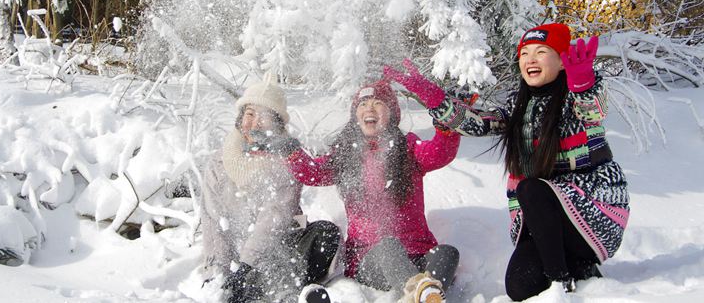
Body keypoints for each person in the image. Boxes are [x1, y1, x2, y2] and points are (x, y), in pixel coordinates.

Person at [385, 23, 630, 301]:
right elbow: (477, 124)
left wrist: (583, 82)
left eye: (541, 52)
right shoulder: (518, 105)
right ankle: (576, 268)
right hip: (544, 224)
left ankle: (563, 285)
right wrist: (433, 97)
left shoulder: (575, 96)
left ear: (562, 62)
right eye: (525, 54)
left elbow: (594, 111)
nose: (531, 60)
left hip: (594, 212)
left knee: (531, 188)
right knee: (519, 286)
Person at [285, 79, 462, 303]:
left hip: (418, 253)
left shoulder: (407, 148)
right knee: (389, 247)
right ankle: (421, 293)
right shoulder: (346, 155)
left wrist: (447, 124)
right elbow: (312, 173)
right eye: (362, 104)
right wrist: (291, 152)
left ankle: (427, 294)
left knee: (447, 253)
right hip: (369, 258)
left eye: (378, 102)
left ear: (391, 113)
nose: (369, 108)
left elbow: (440, 153)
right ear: (355, 116)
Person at [200, 73, 341, 303]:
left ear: (277, 123)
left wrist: (247, 266)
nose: (255, 123)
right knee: (244, 281)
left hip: (280, 246)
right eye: (250, 114)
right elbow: (213, 221)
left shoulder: (287, 160)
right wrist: (218, 273)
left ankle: (287, 294)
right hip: (238, 254)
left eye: (264, 116)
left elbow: (274, 220)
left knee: (324, 236)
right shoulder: (219, 163)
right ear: (240, 119)